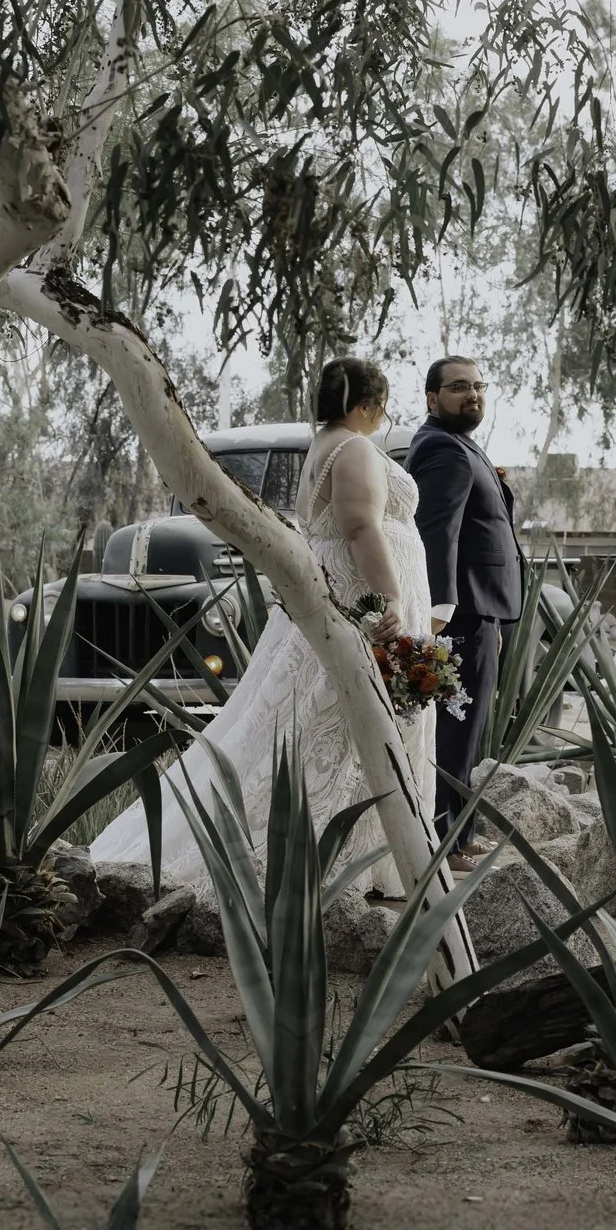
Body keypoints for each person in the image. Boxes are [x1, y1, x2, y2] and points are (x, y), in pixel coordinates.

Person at [91, 356, 435, 897]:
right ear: (368, 406)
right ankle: (331, 855)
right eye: (383, 408)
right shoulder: (356, 448)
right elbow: (361, 524)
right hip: (362, 597)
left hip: (340, 591)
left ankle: (358, 853)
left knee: (315, 722)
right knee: (344, 722)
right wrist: (389, 595)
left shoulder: (322, 446)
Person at [406, 355, 523, 871]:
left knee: (469, 729)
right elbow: (437, 536)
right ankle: (444, 843)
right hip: (459, 613)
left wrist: (489, 619)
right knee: (454, 730)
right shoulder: (442, 449)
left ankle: (461, 830)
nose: (472, 394)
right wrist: (442, 613)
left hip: (481, 610)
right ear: (432, 398)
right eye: (458, 387)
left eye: (478, 386)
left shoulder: (460, 444)